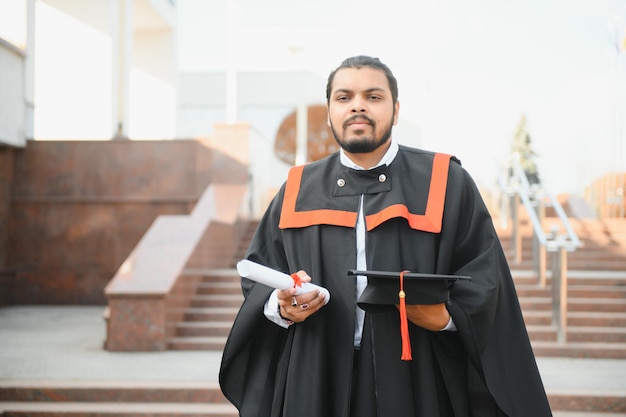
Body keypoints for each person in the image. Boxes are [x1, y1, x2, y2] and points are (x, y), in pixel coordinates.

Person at [219, 55, 553, 417]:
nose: (358, 105)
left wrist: (445, 317)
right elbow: (261, 274)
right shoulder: (298, 188)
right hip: (317, 372)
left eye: (373, 97)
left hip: (417, 371)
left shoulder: (445, 181)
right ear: (329, 111)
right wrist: (281, 307)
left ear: (395, 110)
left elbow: (486, 277)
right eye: (344, 97)